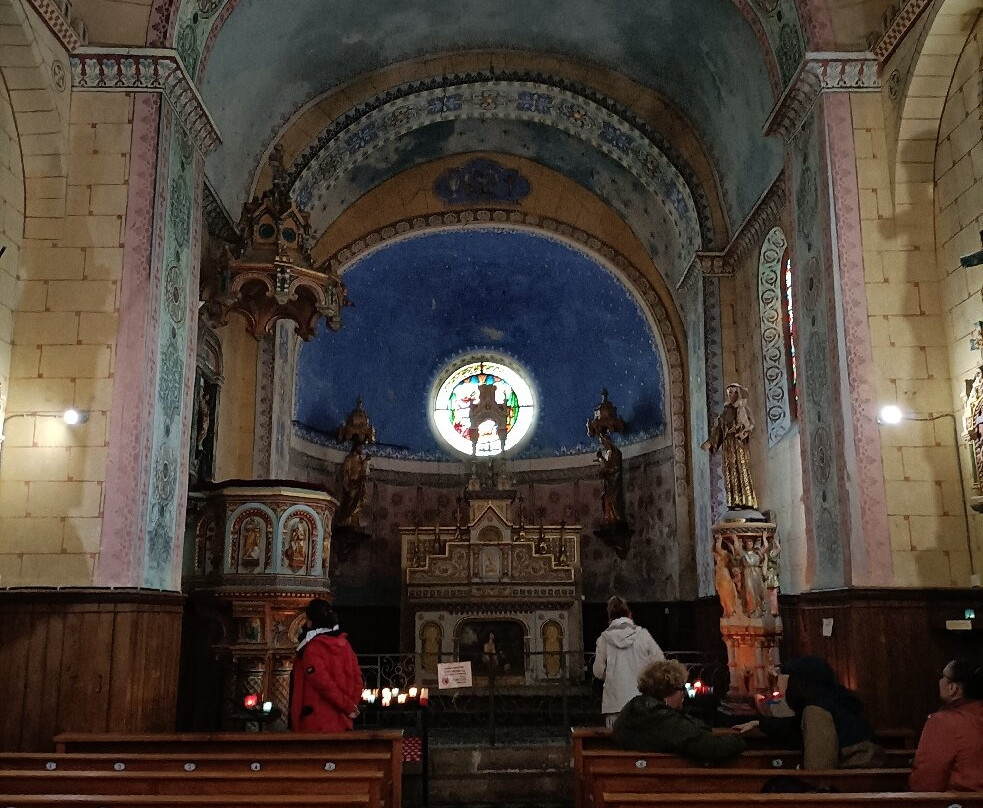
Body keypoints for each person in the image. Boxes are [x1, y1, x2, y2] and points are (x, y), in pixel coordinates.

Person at [613, 659, 748, 764]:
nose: (683, 694)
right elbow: (710, 748)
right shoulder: (664, 720)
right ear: (668, 690)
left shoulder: (632, 710)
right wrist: (740, 741)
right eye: (681, 689)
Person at [780, 655, 885, 769]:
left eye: (791, 682)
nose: (788, 690)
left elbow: (819, 768)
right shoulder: (841, 702)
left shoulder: (817, 711)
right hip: (868, 774)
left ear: (802, 684)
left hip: (853, 777)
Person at [289, 599, 363, 732]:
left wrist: (347, 706)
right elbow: (357, 678)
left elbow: (322, 682)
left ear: (309, 621)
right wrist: (352, 705)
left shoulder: (312, 648)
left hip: (317, 722)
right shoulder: (345, 645)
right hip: (343, 720)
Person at [909, 659, 983, 792]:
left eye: (942, 676)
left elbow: (925, 784)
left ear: (952, 688)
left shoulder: (943, 722)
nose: (940, 680)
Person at [593, 596, 664, 727]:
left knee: (616, 738)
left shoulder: (604, 639)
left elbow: (597, 671)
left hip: (615, 703)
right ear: (630, 615)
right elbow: (660, 662)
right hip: (642, 701)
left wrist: (611, 676)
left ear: (609, 618)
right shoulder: (643, 635)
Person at [700, 383, 758, 511]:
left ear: (738, 393)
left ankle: (747, 500)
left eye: (733, 392)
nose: (730, 395)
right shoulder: (725, 412)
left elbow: (752, 425)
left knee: (741, 469)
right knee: (729, 471)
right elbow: (718, 430)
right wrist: (710, 442)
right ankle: (734, 501)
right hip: (728, 445)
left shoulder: (743, 408)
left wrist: (745, 432)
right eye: (729, 393)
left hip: (739, 444)